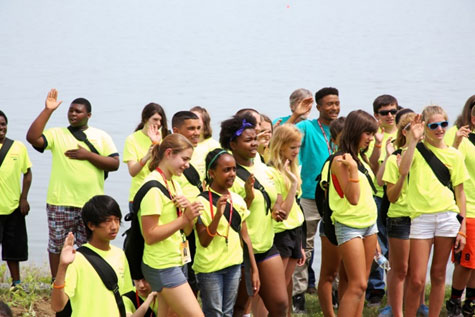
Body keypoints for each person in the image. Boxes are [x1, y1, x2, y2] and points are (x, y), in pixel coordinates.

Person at [26, 89, 120, 280]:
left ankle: (89, 278)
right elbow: (32, 138)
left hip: (91, 203)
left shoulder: (100, 136)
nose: (73, 114)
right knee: (57, 245)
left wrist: (88, 155)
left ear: (88, 115)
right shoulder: (57, 134)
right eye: (71, 111)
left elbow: (115, 163)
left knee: (90, 244)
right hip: (60, 201)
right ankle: (57, 281)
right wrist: (48, 110)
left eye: (78, 111)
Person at [220, 113, 289, 317]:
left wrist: (277, 207)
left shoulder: (259, 161)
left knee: (280, 305)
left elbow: (273, 191)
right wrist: (248, 198)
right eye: (248, 140)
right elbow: (230, 217)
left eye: (255, 138)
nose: (254, 144)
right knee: (240, 308)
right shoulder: (228, 171)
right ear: (233, 144)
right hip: (240, 250)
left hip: (266, 245)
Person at [401, 106, 468, 316]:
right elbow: (402, 171)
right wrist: (412, 139)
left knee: (439, 275)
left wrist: (463, 228)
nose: (440, 129)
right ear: (425, 127)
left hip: (448, 217)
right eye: (434, 125)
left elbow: (460, 193)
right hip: (420, 218)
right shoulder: (416, 151)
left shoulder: (454, 155)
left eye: (443, 124)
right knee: (417, 278)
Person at [138, 134, 204, 317]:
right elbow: (149, 236)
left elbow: (186, 231)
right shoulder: (153, 187)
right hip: (162, 264)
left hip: (177, 259)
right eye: (184, 159)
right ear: (168, 153)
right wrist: (183, 219)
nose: (187, 165)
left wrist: (189, 214)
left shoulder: (174, 183)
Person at [193, 148, 260, 317]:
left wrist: (254, 269)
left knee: (227, 312)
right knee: (214, 312)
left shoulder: (237, 199)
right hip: (210, 268)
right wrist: (217, 216)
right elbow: (204, 241)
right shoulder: (201, 201)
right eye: (226, 170)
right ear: (212, 173)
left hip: (233, 265)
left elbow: (245, 237)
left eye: (234, 169)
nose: (231, 174)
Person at [292, 87, 340, 312]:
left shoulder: (344, 128)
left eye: (337, 103)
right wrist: (296, 115)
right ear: (318, 107)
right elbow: (282, 135)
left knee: (339, 243)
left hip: (337, 197)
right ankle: (298, 294)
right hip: (310, 197)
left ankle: (337, 290)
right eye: (329, 104)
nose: (334, 108)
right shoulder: (307, 127)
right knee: (305, 247)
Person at [327, 109, 378, 316]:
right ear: (356, 131)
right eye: (367, 133)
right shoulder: (341, 161)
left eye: (372, 134)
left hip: (369, 224)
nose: (370, 138)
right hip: (349, 226)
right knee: (356, 285)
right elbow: (353, 197)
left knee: (362, 285)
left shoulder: (360, 158)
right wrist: (354, 171)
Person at [51, 195, 134, 316]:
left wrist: (127, 311)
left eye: (116, 219)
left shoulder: (120, 254)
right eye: (107, 221)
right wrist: (62, 266)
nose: (114, 226)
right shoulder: (76, 259)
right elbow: (57, 306)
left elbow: (126, 294)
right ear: (91, 225)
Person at [376, 111, 415, 317]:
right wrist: (393, 159)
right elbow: (382, 183)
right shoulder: (395, 156)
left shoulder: (425, 156)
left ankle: (414, 305)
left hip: (420, 216)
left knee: (414, 271)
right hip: (397, 215)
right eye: (411, 129)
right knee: (398, 266)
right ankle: (394, 307)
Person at [267, 124, 306, 317]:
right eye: (292, 147)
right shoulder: (271, 172)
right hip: (281, 233)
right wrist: (292, 185)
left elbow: (297, 208)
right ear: (280, 146)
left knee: (285, 283)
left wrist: (301, 243)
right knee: (276, 290)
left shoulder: (292, 167)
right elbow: (284, 212)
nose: (296, 151)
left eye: (298, 147)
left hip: (295, 231)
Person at [366, 94, 399, 306]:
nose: (389, 116)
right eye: (384, 112)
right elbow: (372, 170)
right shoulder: (372, 136)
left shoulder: (403, 134)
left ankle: (397, 287)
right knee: (378, 246)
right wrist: (379, 147)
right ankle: (376, 289)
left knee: (398, 246)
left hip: (400, 199)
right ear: (376, 115)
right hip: (378, 197)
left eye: (393, 111)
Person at [445, 96, 475, 317]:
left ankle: (470, 304)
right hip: (469, 208)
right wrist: (455, 143)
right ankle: (455, 302)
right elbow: (447, 164)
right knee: (465, 261)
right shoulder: (460, 136)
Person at [317, 116, 345, 317]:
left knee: (348, 275)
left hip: (353, 224)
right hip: (332, 225)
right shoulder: (332, 162)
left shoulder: (357, 160)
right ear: (334, 140)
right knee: (329, 274)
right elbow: (327, 200)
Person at [0, 110, 32, 288]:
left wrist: (24, 198)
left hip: (13, 207)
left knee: (14, 249)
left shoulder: (18, 147)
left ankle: (16, 283)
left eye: (3, 124)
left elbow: (27, 173)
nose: (1, 128)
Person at [123, 103, 168, 212]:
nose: (158, 124)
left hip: (161, 193)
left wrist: (156, 143)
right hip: (138, 195)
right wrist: (146, 157)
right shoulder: (132, 139)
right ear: (145, 119)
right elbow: (133, 171)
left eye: (160, 121)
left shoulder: (165, 138)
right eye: (155, 119)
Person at [190, 106, 221, 177]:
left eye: (196, 119)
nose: (192, 122)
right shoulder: (183, 145)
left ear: (205, 124)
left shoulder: (214, 146)